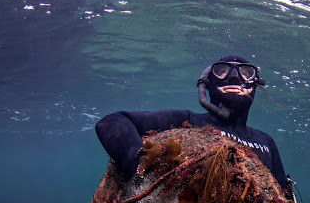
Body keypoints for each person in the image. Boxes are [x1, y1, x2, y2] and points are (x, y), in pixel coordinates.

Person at [95, 55, 288, 190]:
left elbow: (283, 197)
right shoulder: (187, 121)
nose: (234, 77)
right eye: (222, 71)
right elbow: (111, 122)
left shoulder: (266, 143)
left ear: (255, 85)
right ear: (208, 84)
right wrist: (141, 171)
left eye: (246, 73)